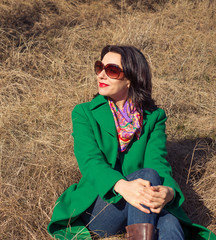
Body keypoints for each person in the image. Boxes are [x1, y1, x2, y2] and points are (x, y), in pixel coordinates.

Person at [47, 45, 216, 240]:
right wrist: (122, 186)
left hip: (141, 201)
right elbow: (90, 162)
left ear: (131, 78)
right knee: (147, 175)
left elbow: (158, 163)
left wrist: (168, 192)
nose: (101, 75)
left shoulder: (154, 118)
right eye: (99, 67)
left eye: (111, 70)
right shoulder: (84, 113)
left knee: (169, 224)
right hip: (100, 207)